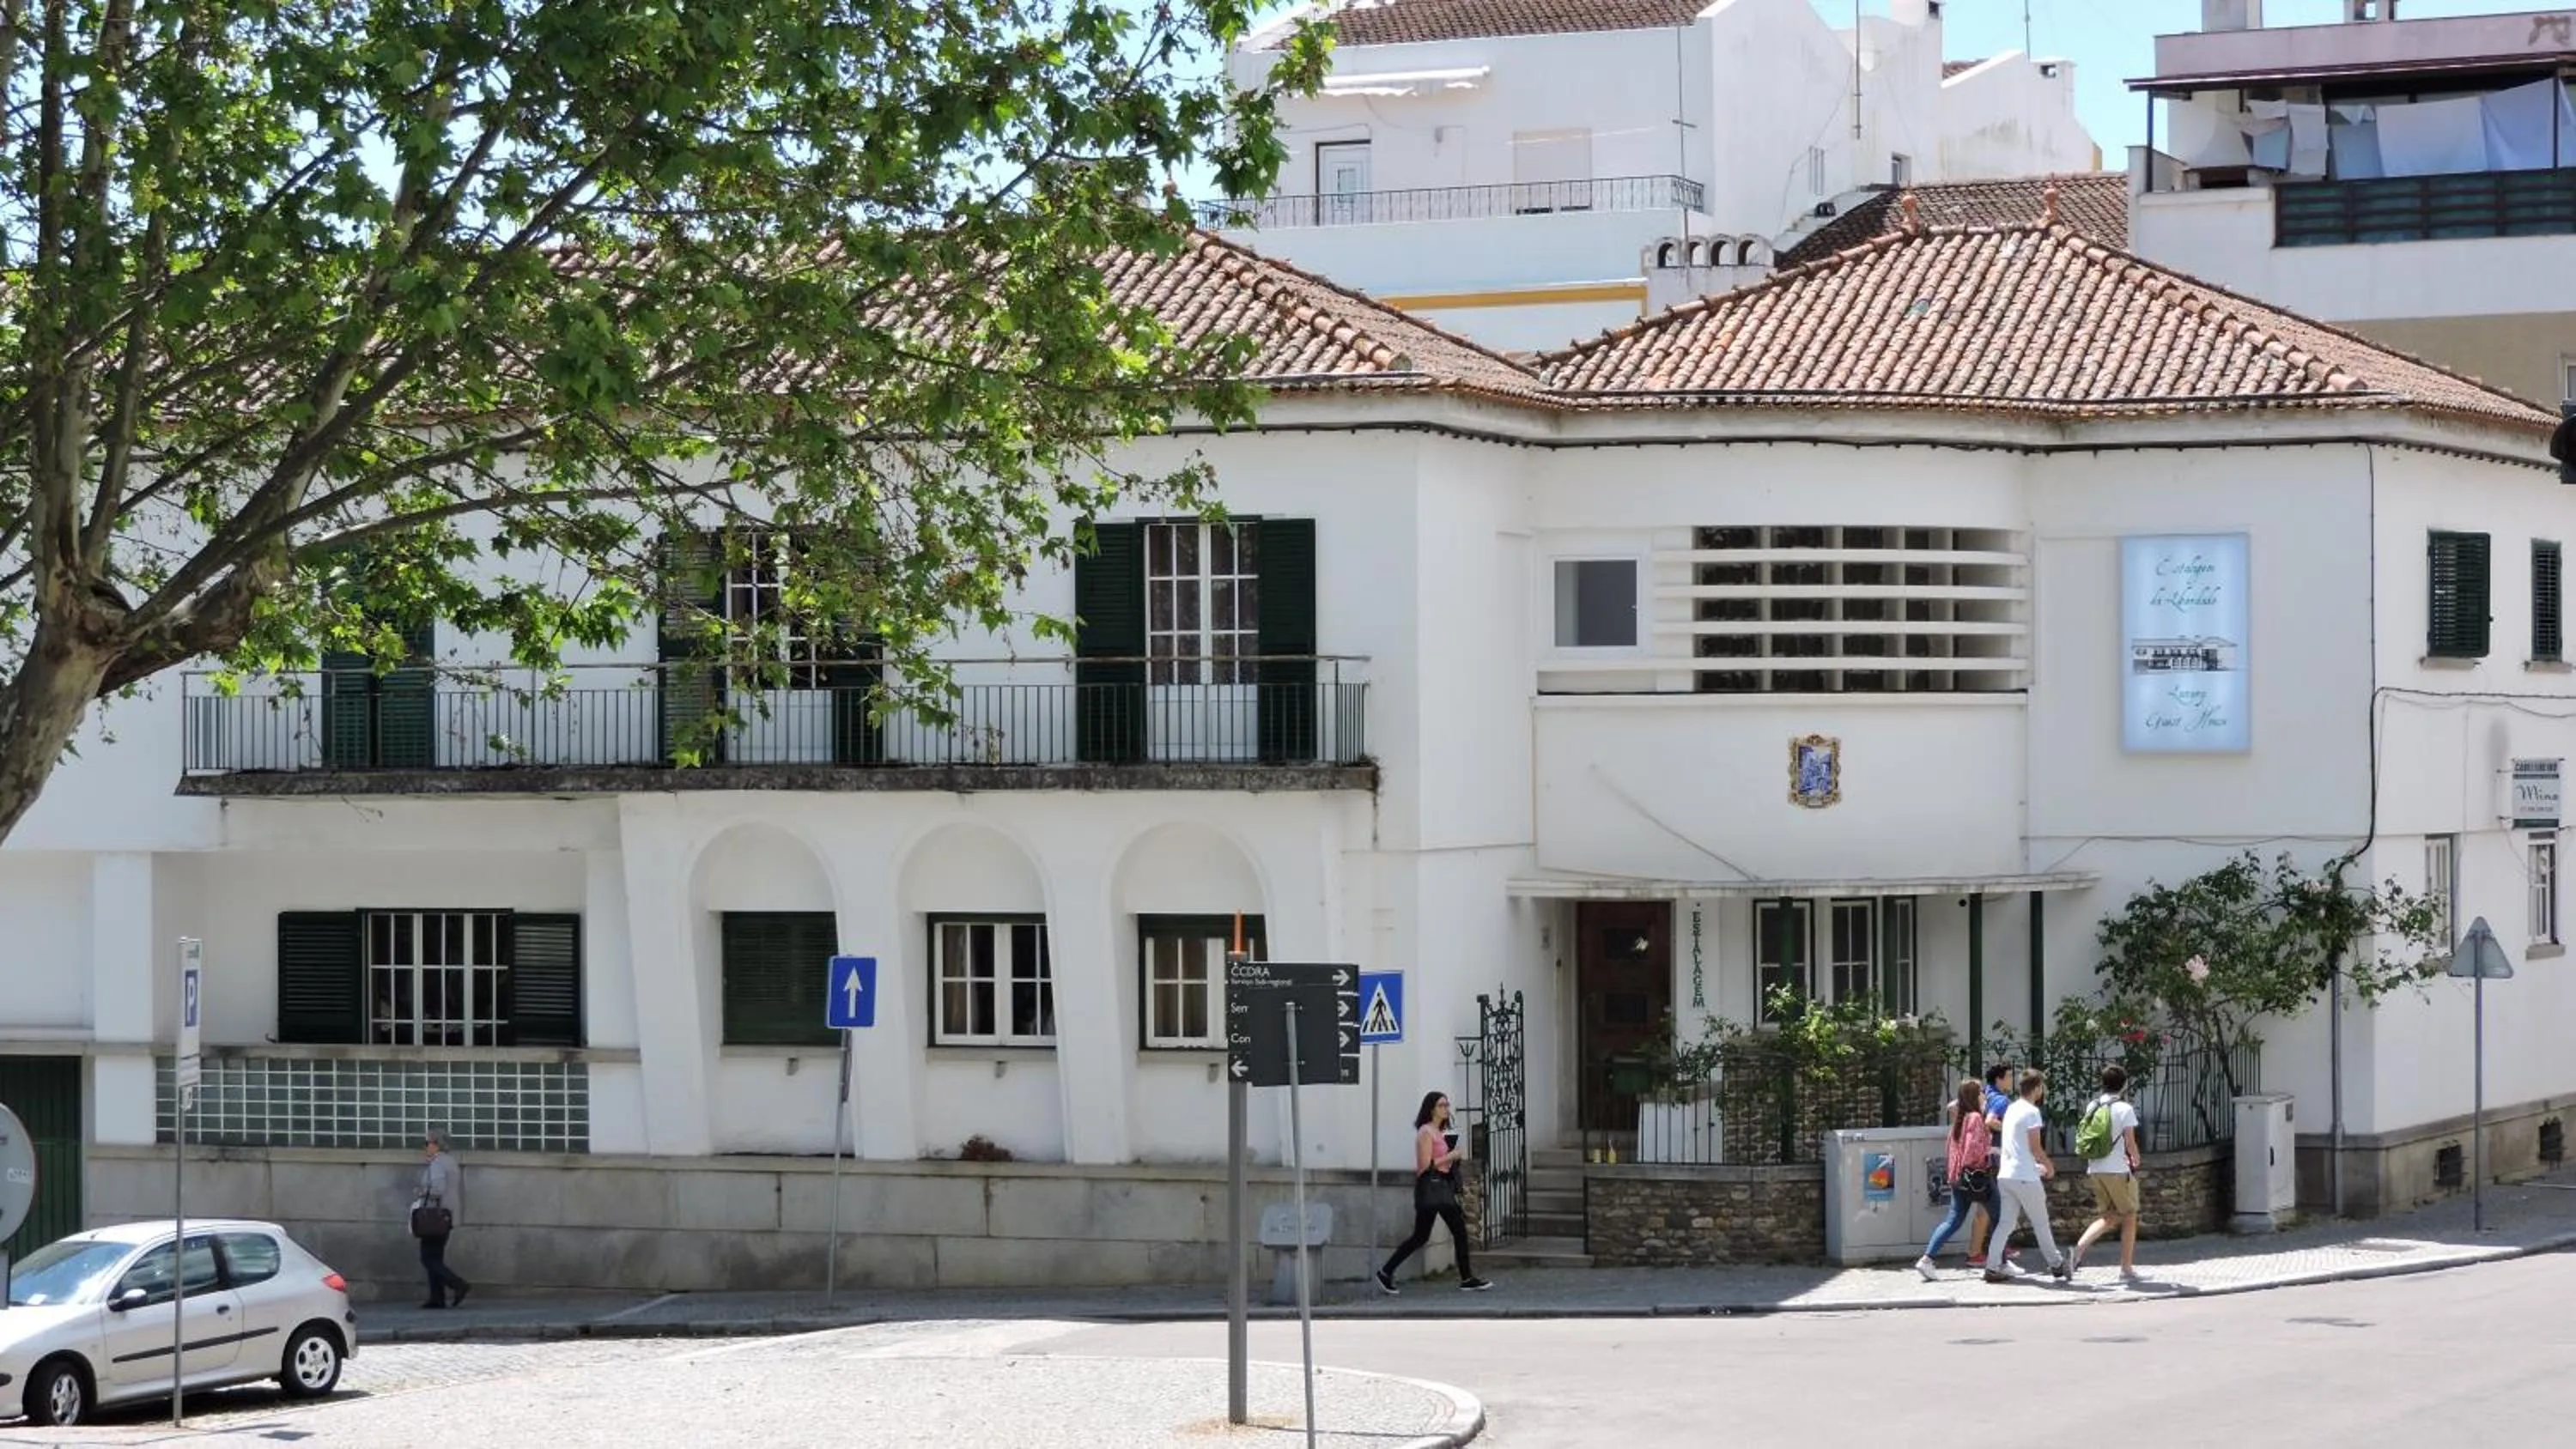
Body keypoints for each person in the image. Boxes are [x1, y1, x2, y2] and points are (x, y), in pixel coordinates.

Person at [1375, 1091, 1492, 1294]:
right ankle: (1466, 1278)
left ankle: (1386, 1272)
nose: (1446, 1109)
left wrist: (1453, 1157)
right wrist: (1451, 1155)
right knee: (1432, 1235)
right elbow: (1424, 1166)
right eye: (1441, 1105)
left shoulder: (1441, 1131)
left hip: (1442, 1188)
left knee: (1430, 1235)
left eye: (1447, 1105)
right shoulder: (1426, 1132)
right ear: (1431, 1109)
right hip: (1431, 1188)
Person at [1983, 1070, 2070, 1284]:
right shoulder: (2032, 1112)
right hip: (2025, 1176)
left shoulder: (2011, 1108)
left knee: (2005, 1224)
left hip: (2006, 1174)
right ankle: (2057, 1265)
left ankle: (1992, 1267)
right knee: (2041, 1223)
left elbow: (2016, 1143)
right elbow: (2034, 1146)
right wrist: (2048, 1165)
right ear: (2038, 1088)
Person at [1917, 1078, 1998, 1280]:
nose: (1985, 1096)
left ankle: (1927, 1260)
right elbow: (1972, 1151)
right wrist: (1990, 1153)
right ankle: (1999, 1262)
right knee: (2001, 1216)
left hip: (1958, 1178)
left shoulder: (1960, 1120)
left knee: (1953, 1221)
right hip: (1977, 1176)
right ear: (1974, 1096)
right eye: (1981, 1092)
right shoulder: (1975, 1118)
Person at [2069, 1064, 2144, 1282]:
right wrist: (2136, 1159)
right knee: (2130, 1216)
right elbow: (2130, 1141)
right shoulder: (2124, 1109)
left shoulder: (2093, 1105)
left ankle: (2077, 1252)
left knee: (2109, 1217)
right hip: (2118, 1170)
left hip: (2095, 1168)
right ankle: (2126, 1269)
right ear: (2124, 1084)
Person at [411, 1128, 471, 1309]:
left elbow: (437, 1188)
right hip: (446, 1215)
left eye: (428, 1143)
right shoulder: (450, 1162)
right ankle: (437, 1298)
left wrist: (421, 1192)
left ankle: (457, 1284)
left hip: (433, 1216)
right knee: (435, 1257)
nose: (426, 1147)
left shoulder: (437, 1163)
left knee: (428, 1257)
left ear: (436, 1144)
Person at [1964, 1062, 2014, 1262]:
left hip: (1983, 1156)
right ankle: (1977, 1252)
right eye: (2009, 1076)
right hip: (1995, 1156)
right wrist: (2012, 1131)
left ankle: (1997, 1247)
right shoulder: (2001, 1100)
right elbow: (1991, 1121)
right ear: (1999, 1078)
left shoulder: (1983, 1094)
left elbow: (1953, 1107)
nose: (2012, 1080)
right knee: (1989, 1207)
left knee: (1993, 1205)